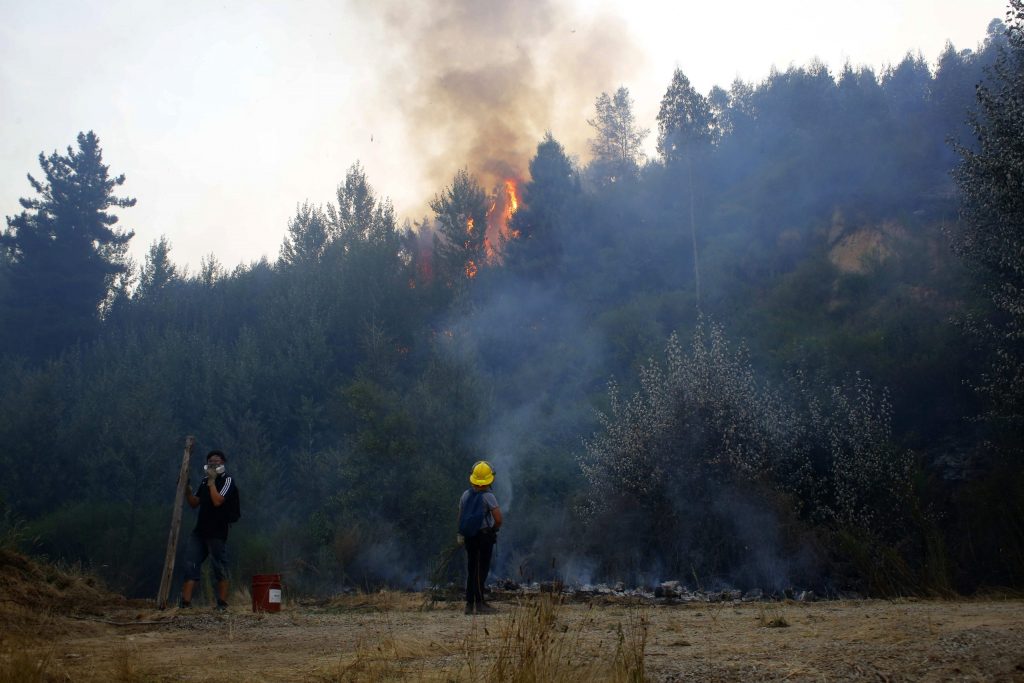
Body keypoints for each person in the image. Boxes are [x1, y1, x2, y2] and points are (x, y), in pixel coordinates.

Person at [180, 449, 240, 610]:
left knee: (219, 566)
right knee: (191, 564)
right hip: (200, 531)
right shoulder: (204, 481)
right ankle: (185, 603)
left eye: (217, 460)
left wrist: (212, 482)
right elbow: (194, 503)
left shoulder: (227, 480)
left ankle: (222, 603)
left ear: (223, 462)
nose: (213, 463)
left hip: (217, 531)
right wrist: (187, 490)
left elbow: (217, 501)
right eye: (210, 461)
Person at [457, 460, 502, 615]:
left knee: (471, 569)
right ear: (489, 479)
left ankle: (469, 605)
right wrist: (493, 530)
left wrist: (460, 533)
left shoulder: (465, 495)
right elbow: (498, 519)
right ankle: (480, 603)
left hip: (469, 537)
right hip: (484, 537)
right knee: (482, 569)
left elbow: (460, 516)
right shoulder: (489, 496)